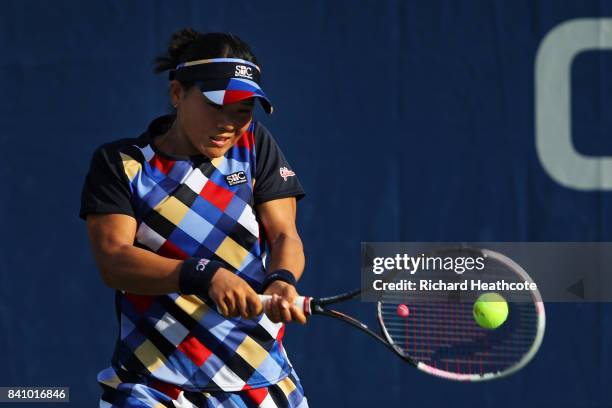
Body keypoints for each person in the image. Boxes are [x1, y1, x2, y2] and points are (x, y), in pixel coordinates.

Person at [80, 27, 309, 408]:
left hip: (261, 384)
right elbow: (114, 260)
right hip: (154, 388)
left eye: (242, 111)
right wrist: (202, 274)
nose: (229, 124)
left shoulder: (256, 146)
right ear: (177, 94)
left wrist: (283, 279)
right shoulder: (123, 164)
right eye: (216, 106)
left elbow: (285, 235)